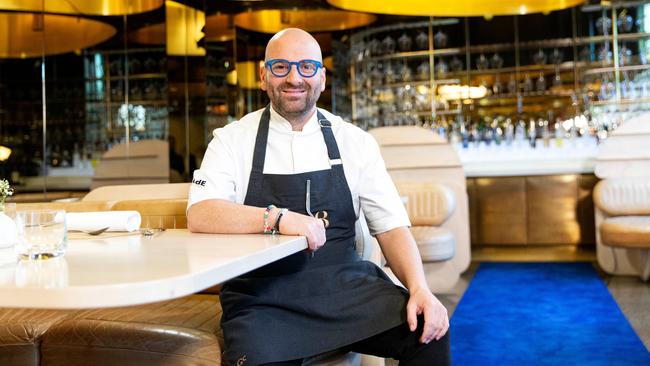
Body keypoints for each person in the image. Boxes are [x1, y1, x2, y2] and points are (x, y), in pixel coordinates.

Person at [187, 28, 450, 366]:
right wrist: (280, 218)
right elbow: (201, 213)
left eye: (307, 67)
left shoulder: (355, 141)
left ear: (322, 78)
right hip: (263, 300)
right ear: (263, 76)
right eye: (281, 67)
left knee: (430, 330)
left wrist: (420, 289)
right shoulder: (230, 141)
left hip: (346, 290)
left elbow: (391, 226)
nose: (295, 77)